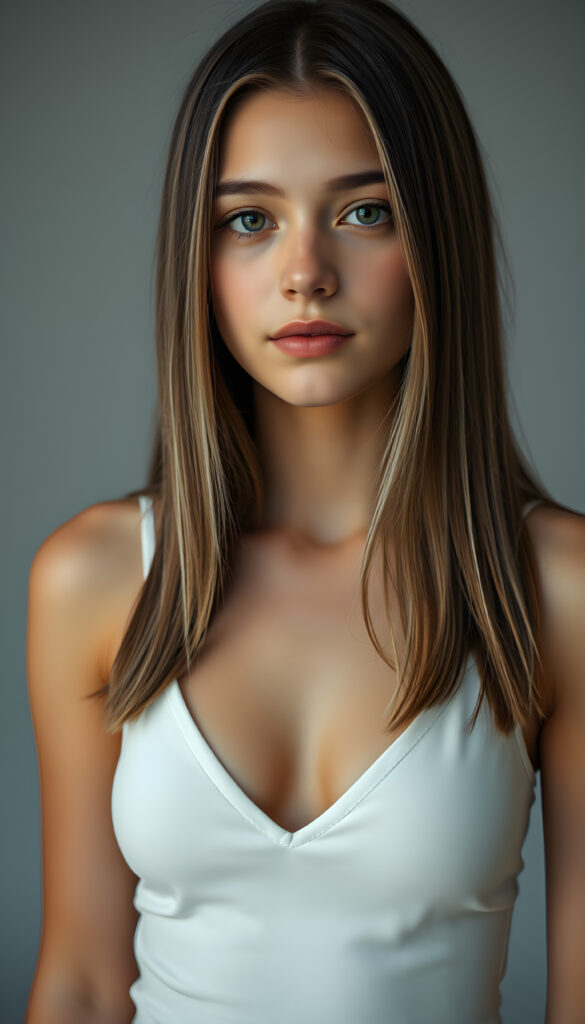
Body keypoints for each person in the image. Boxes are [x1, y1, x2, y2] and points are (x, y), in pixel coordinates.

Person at [25, 0, 585, 1021]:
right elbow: (83, 979)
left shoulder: (555, 587)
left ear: (438, 240)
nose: (304, 275)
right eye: (249, 220)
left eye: (365, 211)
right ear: (197, 263)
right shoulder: (95, 578)